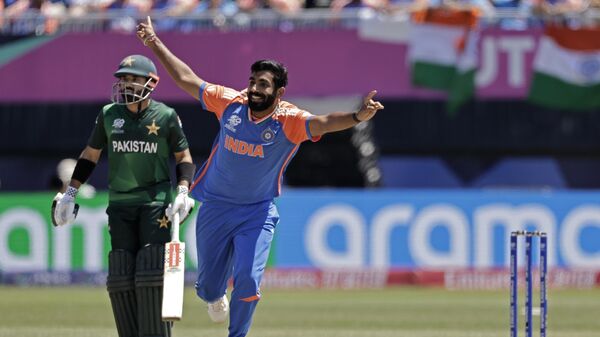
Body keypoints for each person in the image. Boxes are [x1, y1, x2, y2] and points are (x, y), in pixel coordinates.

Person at [136, 16, 384, 337]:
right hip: (215, 206)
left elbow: (323, 122)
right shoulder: (230, 103)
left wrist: (357, 116)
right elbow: (186, 78)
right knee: (208, 288)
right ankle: (214, 296)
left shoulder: (289, 120)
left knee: (249, 281)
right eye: (253, 81)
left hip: (257, 211)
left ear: (279, 92)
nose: (254, 88)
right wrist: (154, 42)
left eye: (263, 84)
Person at [51, 54, 196, 337]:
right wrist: (70, 193)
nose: (126, 84)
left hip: (155, 204)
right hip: (119, 205)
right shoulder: (108, 114)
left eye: (132, 78)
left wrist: (182, 190)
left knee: (151, 275)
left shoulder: (165, 116)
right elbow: (90, 156)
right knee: (120, 276)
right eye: (122, 79)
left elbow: (184, 155)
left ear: (151, 82)